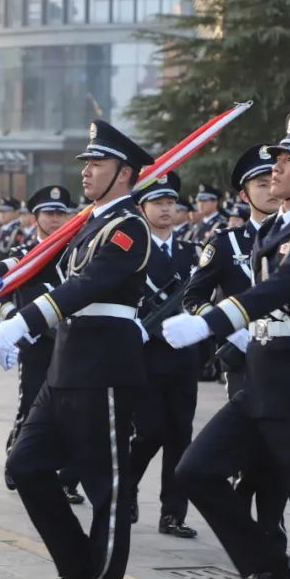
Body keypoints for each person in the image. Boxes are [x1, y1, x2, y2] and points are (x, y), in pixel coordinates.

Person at [164, 111, 290, 579]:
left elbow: (284, 286)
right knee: (195, 472)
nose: (277, 167)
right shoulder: (269, 231)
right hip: (259, 382)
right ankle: (269, 564)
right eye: (279, 158)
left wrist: (210, 322)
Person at [0, 119, 153, 579]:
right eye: (86, 163)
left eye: (97, 163)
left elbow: (87, 284)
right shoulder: (91, 223)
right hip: (65, 367)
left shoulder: (128, 227)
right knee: (26, 464)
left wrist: (28, 320)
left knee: (107, 489)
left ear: (124, 172)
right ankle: (77, 563)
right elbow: (39, 258)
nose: (86, 171)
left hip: (104, 370)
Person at [0, 185, 84, 503]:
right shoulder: (25, 256)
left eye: (60, 214)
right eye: (49, 214)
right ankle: (17, 457)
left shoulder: (76, 252)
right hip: (35, 341)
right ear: (36, 217)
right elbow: (1, 295)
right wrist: (14, 320)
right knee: (31, 403)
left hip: (70, 340)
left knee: (73, 410)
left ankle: (66, 477)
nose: (55, 219)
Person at [129, 172, 201, 538]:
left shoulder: (192, 252)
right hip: (145, 354)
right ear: (142, 208)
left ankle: (173, 513)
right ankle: (127, 487)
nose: (167, 210)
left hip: (182, 356)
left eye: (171, 203)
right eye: (158, 203)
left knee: (179, 435)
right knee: (149, 431)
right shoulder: (132, 251)